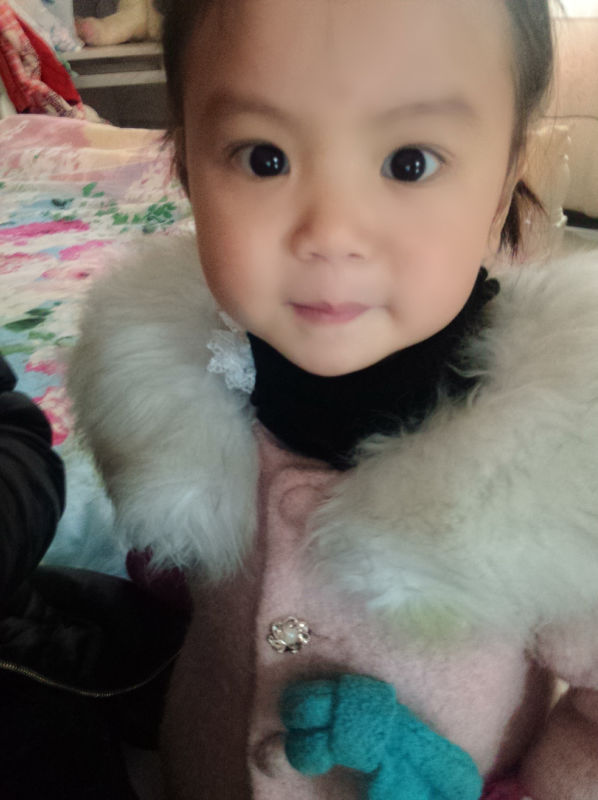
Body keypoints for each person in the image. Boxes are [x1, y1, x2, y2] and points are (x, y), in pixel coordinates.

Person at [67, 0, 598, 797]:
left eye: (409, 162)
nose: (331, 231)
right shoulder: (166, 397)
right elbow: (180, 580)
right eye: (264, 159)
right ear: (186, 168)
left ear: (500, 185)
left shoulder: (564, 468)